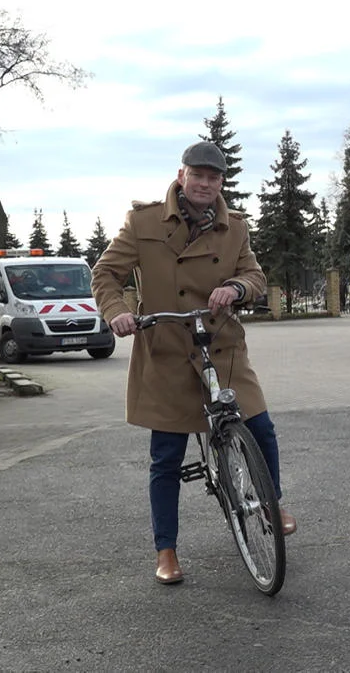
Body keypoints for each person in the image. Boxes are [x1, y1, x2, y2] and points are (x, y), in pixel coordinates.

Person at [91, 140, 296, 586]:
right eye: (197, 175)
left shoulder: (235, 227)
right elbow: (106, 273)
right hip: (164, 348)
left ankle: (272, 502)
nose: (205, 184)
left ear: (221, 182)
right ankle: (166, 550)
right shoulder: (143, 222)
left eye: (214, 177)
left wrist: (238, 288)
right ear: (182, 176)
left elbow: (255, 275)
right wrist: (117, 312)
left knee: (260, 427)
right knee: (165, 456)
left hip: (219, 344)